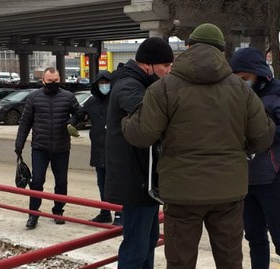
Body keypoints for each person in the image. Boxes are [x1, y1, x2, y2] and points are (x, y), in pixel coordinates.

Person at [121, 23, 275, 269]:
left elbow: (141, 135)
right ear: (222, 51)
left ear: (189, 46)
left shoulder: (163, 88)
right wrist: (240, 150)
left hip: (182, 193)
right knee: (230, 260)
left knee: (180, 262)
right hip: (228, 191)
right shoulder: (241, 91)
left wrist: (127, 120)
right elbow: (263, 137)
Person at [229, 47, 280, 269]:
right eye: (236, 79)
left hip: (274, 179)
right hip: (245, 181)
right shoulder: (235, 96)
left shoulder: (278, 94)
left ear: (258, 74)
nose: (241, 83)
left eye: (245, 79)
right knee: (255, 240)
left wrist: (261, 138)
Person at [105, 37, 174, 268]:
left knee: (148, 242)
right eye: (166, 67)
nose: (169, 71)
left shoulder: (142, 83)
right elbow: (149, 116)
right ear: (148, 65)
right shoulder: (128, 85)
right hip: (134, 181)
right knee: (135, 248)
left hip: (145, 180)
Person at [15, 67, 81, 229]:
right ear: (43, 81)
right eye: (50, 81)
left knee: (61, 182)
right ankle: (33, 214)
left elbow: (80, 113)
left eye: (56, 81)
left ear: (60, 80)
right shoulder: (33, 98)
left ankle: (58, 211)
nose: (53, 84)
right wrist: (19, 144)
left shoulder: (68, 97)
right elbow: (25, 123)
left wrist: (72, 122)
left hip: (61, 147)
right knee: (37, 181)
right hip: (40, 147)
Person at [68, 70, 122, 226]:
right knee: (102, 182)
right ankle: (105, 212)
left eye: (107, 83)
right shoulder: (92, 101)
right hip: (98, 149)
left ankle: (119, 213)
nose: (104, 86)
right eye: (101, 83)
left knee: (116, 183)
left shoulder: (116, 99)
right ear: (96, 85)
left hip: (115, 150)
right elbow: (80, 114)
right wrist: (71, 123)